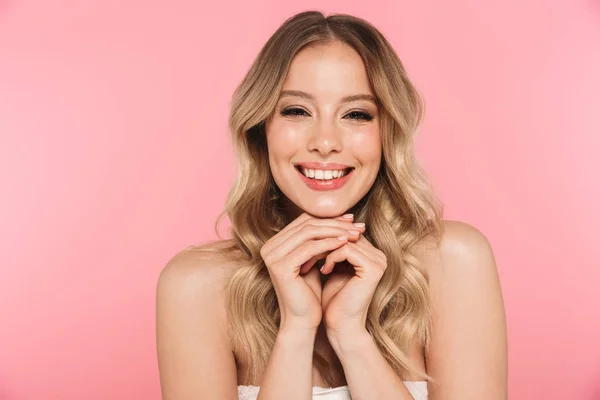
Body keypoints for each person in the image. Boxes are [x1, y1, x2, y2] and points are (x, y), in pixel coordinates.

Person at [156, 10, 508, 400]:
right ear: (261, 128)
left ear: (386, 131)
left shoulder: (453, 261)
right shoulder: (195, 287)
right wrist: (297, 328)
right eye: (296, 111)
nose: (325, 141)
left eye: (356, 114)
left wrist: (350, 336)